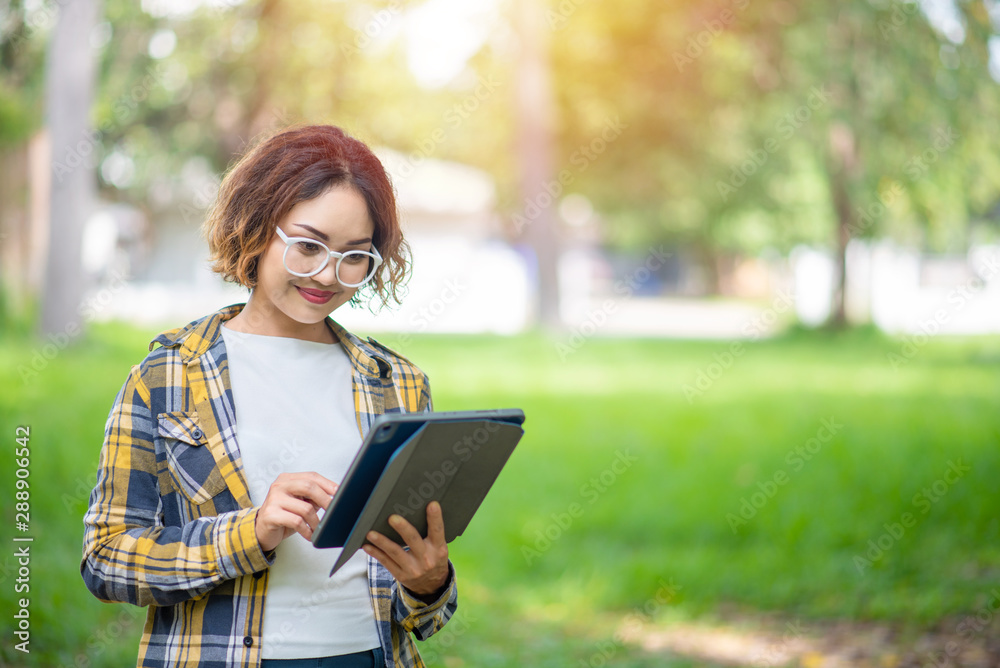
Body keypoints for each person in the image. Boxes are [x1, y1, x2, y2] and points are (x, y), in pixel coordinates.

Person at [82, 125, 458, 668]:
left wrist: (431, 584)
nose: (328, 275)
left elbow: (424, 609)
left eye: (355, 256)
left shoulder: (398, 382)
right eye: (308, 246)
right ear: (257, 227)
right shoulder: (167, 374)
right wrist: (250, 532)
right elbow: (107, 560)